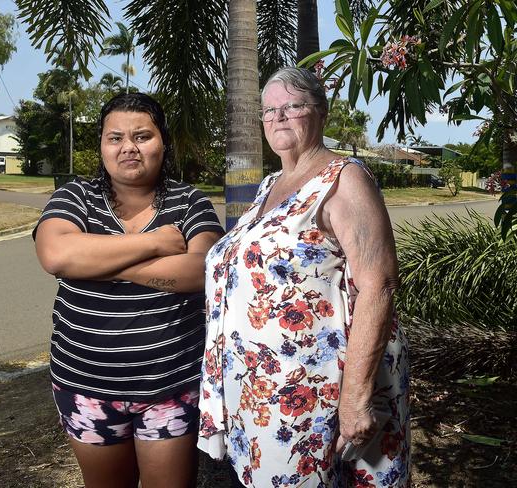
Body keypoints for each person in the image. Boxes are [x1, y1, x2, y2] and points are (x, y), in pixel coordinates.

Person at [198, 67, 410, 487]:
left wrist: (355, 398)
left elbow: (379, 284)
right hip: (262, 389)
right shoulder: (271, 184)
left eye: (293, 105)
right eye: (269, 109)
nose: (278, 117)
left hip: (318, 391)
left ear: (322, 112)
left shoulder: (344, 178)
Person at [34, 93, 224, 488]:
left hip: (172, 384)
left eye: (142, 136)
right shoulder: (76, 196)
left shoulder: (189, 203)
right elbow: (56, 254)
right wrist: (155, 243)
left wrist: (98, 263)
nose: (128, 148)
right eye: (115, 138)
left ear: (163, 143)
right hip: (86, 385)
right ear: (101, 145)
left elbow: (201, 271)